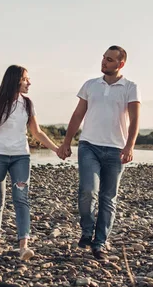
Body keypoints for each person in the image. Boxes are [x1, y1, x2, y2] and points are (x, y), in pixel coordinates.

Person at [57, 45, 141, 260]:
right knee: (87, 190)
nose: (104, 62)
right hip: (88, 146)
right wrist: (67, 142)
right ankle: (87, 231)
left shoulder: (130, 87)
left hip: (115, 150)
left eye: (110, 60)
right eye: (104, 58)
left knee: (108, 198)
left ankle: (100, 243)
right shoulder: (90, 85)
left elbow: (134, 120)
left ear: (121, 64)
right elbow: (77, 115)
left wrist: (129, 146)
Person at [0, 65, 60, 261]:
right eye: (26, 79)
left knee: (21, 199)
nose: (29, 82)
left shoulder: (28, 103)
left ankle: (24, 245)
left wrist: (57, 149)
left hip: (20, 157)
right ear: (15, 80)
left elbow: (36, 132)